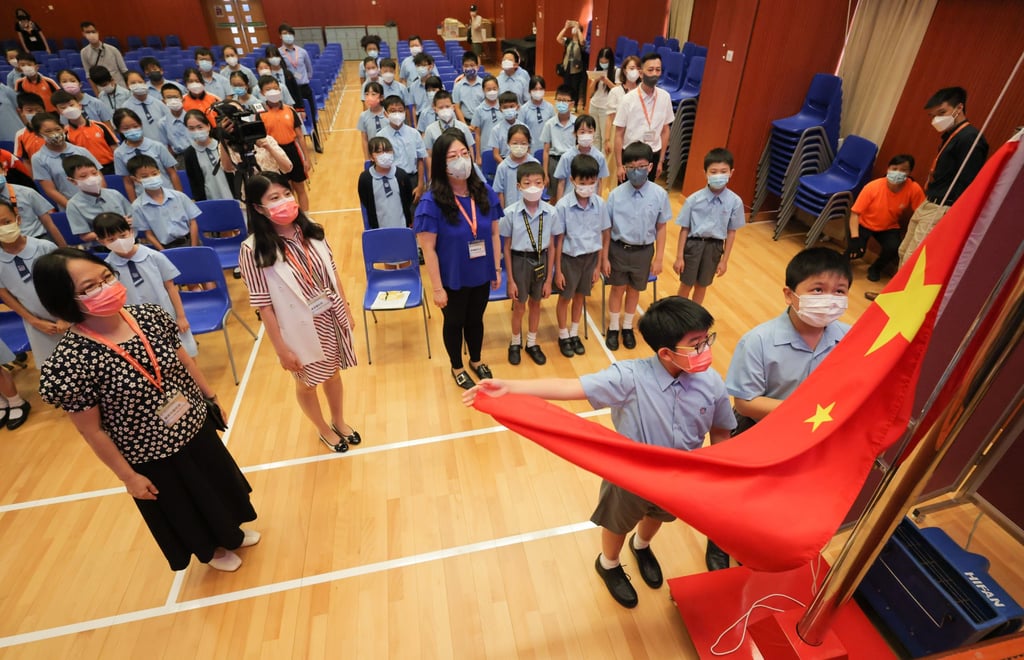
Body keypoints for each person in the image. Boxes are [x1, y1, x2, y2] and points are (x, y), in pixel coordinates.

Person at [464, 296, 736, 608]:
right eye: (696, 344)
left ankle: (642, 545)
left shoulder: (711, 382)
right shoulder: (629, 377)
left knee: (660, 515)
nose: (706, 350)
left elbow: (720, 430)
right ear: (665, 352)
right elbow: (570, 387)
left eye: (707, 340)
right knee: (617, 522)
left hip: (679, 476)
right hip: (629, 477)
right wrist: (511, 387)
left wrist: (719, 471)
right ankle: (608, 563)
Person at [36, 248, 258, 571]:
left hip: (192, 424)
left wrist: (210, 397)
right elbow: (90, 429)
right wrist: (128, 477)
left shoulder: (148, 315)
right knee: (189, 504)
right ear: (64, 299)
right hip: (151, 454)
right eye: (89, 288)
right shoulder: (70, 362)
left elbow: (183, 360)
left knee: (218, 483)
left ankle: (232, 533)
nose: (105, 288)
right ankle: (214, 551)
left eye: (106, 277)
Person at [722, 247, 851, 569]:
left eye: (840, 291)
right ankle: (722, 540)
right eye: (817, 290)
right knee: (741, 499)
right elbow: (746, 403)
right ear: (789, 294)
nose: (829, 299)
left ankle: (773, 540)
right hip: (760, 433)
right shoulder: (758, 341)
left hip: (812, 437)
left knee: (789, 495)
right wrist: (804, 410)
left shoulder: (850, 338)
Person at [238, 172, 359, 453]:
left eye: (287, 193)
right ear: (258, 208)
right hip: (297, 327)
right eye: (274, 198)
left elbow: (333, 272)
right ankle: (323, 428)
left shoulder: (313, 229)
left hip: (330, 316)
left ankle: (339, 420)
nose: (285, 201)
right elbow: (263, 305)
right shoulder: (252, 249)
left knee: (333, 374)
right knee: (308, 383)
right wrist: (281, 349)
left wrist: (347, 310)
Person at [866, 87, 989, 302]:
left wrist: (953, 214)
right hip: (930, 201)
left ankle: (900, 304)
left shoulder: (970, 138)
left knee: (915, 259)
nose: (936, 120)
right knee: (905, 251)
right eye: (932, 116)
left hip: (944, 206)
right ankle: (892, 297)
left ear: (959, 108)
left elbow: (969, 182)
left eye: (941, 113)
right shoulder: (951, 135)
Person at [414, 131, 502, 390]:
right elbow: (428, 250)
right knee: (454, 323)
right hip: (451, 277)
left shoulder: (484, 191)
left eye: (464, 154)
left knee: (476, 320)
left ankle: (475, 360)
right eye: (453, 156)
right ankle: (457, 366)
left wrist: (496, 268)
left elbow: (495, 233)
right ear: (442, 163)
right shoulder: (431, 202)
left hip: (481, 271)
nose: (461, 160)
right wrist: (437, 288)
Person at [93, 212, 197, 356]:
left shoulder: (154, 256)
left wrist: (181, 316)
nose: (119, 241)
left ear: (131, 232)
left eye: (122, 236)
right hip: (136, 323)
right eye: (111, 239)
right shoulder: (107, 268)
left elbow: (170, 287)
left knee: (185, 354)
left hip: (167, 316)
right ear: (101, 241)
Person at [603, 141, 671, 351]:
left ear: (650, 167)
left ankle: (627, 327)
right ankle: (613, 327)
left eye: (641, 166)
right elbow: (606, 229)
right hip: (618, 249)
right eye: (630, 167)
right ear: (624, 167)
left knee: (634, 291)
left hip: (643, 251)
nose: (636, 171)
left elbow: (661, 228)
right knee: (618, 289)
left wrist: (659, 257)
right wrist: (604, 257)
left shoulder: (660, 195)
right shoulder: (615, 195)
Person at [552, 154, 610, 357]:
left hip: (590, 259)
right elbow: (558, 241)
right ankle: (563, 335)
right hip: (569, 260)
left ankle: (574, 332)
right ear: (572, 180)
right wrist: (558, 270)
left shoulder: (600, 204)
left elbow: (603, 235)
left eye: (592, 182)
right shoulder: (562, 206)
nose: (588, 186)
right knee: (565, 298)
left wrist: (598, 266)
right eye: (583, 182)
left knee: (580, 297)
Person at [672, 148, 744, 304]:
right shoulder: (693, 200)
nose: (718, 175)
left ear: (731, 173)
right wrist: (679, 257)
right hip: (694, 245)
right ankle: (676, 316)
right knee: (686, 284)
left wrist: (724, 260)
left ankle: (694, 320)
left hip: (715, 248)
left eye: (723, 171)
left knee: (702, 285)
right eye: (713, 171)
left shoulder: (735, 202)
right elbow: (684, 229)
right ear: (705, 173)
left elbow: (731, 232)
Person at [501, 161, 555, 366]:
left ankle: (532, 342)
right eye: (527, 183)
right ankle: (515, 342)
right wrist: (510, 280)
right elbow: (505, 247)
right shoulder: (510, 213)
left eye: (538, 182)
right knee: (519, 305)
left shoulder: (551, 212)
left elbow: (553, 245)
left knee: (536, 303)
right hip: (519, 260)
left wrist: (549, 278)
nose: (533, 187)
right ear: (519, 186)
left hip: (541, 259)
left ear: (544, 184)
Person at [0, 197, 65, 364]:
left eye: (5, 222)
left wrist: (66, 315)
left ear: (18, 219)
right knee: (53, 369)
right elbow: (4, 294)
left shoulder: (45, 248)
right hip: (37, 324)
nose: (2, 228)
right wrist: (33, 320)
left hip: (68, 315)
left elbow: (66, 284)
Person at [845, 154, 925, 283]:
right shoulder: (873, 187)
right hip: (863, 223)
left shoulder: (914, 188)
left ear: (909, 172)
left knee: (894, 248)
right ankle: (843, 263)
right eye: (894, 168)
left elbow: (921, 213)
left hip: (888, 227)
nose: (898, 173)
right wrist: (855, 238)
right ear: (888, 169)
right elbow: (855, 213)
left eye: (903, 170)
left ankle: (875, 268)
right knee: (856, 250)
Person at [613, 53, 671, 183]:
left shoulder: (665, 97)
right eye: (650, 70)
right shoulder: (628, 99)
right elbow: (619, 133)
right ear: (640, 73)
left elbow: (665, 130)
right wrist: (619, 165)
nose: (654, 74)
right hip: (631, 156)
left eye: (658, 70)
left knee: (647, 197)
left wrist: (661, 161)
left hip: (653, 155)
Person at [258, 76, 310, 211]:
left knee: (300, 187)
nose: (273, 91)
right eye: (268, 89)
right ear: (262, 93)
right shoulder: (260, 113)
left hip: (292, 150)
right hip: (274, 154)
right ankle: (290, 215)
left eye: (275, 88)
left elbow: (300, 136)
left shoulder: (289, 110)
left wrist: (306, 159)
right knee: (284, 189)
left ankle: (306, 217)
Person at [128, 154, 200, 250]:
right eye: (144, 176)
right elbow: (148, 234)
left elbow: (193, 222)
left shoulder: (179, 196)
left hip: (190, 241)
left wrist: (194, 247)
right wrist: (164, 252)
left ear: (159, 172)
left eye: (154, 174)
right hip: (166, 247)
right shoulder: (137, 206)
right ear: (135, 179)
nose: (151, 178)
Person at [31, 112, 101, 209]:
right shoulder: (38, 159)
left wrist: (101, 198)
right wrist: (73, 208)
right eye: (48, 131)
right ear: (38, 135)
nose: (55, 134)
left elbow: (99, 176)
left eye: (57, 129)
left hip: (97, 201)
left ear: (63, 128)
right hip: (70, 206)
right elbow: (50, 190)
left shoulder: (81, 151)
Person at [112, 107, 182, 202]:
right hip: (143, 198)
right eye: (126, 128)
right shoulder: (119, 153)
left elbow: (172, 173)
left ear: (141, 124)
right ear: (119, 130)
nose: (132, 130)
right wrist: (134, 203)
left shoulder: (157, 146)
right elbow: (128, 182)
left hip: (168, 193)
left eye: (135, 126)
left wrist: (180, 196)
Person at [63, 154, 133, 242]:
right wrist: (112, 231)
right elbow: (85, 236)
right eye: (84, 176)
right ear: (72, 181)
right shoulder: (73, 205)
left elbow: (133, 217)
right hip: (103, 245)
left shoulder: (114, 194)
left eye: (94, 173)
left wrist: (130, 222)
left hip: (128, 239)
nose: (91, 178)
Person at [50, 90, 118, 175]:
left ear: (79, 105)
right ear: (58, 112)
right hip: (88, 172)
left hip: (111, 167)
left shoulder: (100, 126)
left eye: (71, 105)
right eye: (63, 108)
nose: (69, 109)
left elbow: (114, 147)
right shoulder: (66, 135)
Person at [278, 23, 321, 153]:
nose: (287, 36)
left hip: (304, 87)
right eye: (284, 34)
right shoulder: (279, 53)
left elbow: (309, 69)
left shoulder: (302, 52)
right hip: (289, 90)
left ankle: (316, 142)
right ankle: (298, 146)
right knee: (292, 119)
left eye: (289, 34)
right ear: (280, 36)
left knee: (311, 115)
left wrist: (303, 79)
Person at [376, 95, 427, 201]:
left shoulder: (414, 133)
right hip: (391, 179)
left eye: (400, 110)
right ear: (386, 114)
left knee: (414, 213)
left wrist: (420, 185)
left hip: (412, 179)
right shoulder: (380, 137)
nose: (397, 114)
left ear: (405, 112)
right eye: (393, 111)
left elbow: (420, 160)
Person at [358, 136, 413, 229]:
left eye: (387, 151)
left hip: (403, 227)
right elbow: (365, 200)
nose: (385, 155)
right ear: (371, 157)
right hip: (379, 229)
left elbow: (408, 198)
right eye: (379, 152)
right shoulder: (365, 178)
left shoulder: (401, 175)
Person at [0, 162, 63, 244]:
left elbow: (49, 225)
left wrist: (64, 249)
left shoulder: (27, 193)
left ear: (4, 171)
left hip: (37, 239)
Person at [181, 110, 234, 202]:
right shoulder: (189, 153)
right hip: (211, 198)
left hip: (234, 194)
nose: (196, 131)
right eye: (191, 128)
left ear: (208, 126)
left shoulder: (222, 143)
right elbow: (194, 182)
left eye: (200, 127)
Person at [553, 114, 609, 200]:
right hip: (570, 200)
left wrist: (598, 202)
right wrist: (559, 204)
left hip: (590, 200)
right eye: (582, 132)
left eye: (590, 132)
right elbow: (561, 182)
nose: (586, 135)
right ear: (575, 133)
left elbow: (599, 182)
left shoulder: (599, 157)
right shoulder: (566, 157)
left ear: (594, 132)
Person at [541, 86, 577, 200]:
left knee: (571, 196)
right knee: (555, 198)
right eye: (559, 100)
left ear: (572, 103)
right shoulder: (549, 124)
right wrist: (545, 174)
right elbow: (546, 151)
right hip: (554, 162)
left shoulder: (577, 122)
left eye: (565, 100)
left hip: (572, 162)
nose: (561, 103)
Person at [121, 70, 173, 144]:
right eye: (133, 83)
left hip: (164, 146)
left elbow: (170, 125)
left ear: (144, 83)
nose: (137, 85)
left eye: (140, 82)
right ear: (127, 86)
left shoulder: (158, 103)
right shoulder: (126, 108)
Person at [493, 125, 539, 208]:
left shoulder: (535, 164)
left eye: (523, 143)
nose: (519, 147)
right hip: (510, 212)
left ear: (529, 144)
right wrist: (503, 216)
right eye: (515, 143)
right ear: (508, 143)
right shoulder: (503, 167)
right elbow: (499, 193)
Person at [422, 90, 475, 157]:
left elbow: (470, 149)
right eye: (441, 108)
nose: (444, 110)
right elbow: (429, 154)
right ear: (435, 109)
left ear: (453, 107)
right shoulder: (430, 130)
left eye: (447, 107)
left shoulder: (463, 127)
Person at [80, 22, 128, 91]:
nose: (91, 34)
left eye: (93, 31)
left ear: (97, 32)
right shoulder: (84, 52)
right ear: (83, 34)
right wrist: (97, 93)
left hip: (120, 87)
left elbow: (124, 70)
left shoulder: (113, 49)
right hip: (102, 89)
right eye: (87, 32)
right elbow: (89, 75)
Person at [587, 47, 616, 151]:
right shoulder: (596, 70)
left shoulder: (616, 72)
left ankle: (603, 162)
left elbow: (618, 91)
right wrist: (595, 80)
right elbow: (590, 93)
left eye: (606, 61)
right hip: (594, 105)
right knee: (595, 136)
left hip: (606, 108)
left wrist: (606, 80)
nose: (603, 63)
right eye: (601, 61)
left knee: (605, 137)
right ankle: (595, 159)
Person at [556, 19, 587, 112]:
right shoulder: (568, 41)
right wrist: (566, 27)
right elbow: (558, 38)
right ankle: (566, 104)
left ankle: (574, 105)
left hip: (576, 69)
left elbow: (582, 41)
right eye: (573, 28)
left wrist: (578, 29)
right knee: (567, 86)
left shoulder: (580, 42)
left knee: (575, 88)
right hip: (567, 67)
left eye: (575, 28)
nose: (573, 30)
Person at [518, 76, 554, 154]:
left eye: (541, 89)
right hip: (530, 150)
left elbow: (553, 129)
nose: (538, 91)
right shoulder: (523, 109)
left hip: (547, 149)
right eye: (535, 89)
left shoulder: (550, 107)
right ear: (529, 91)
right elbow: (521, 131)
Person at [160, 84, 191, 167]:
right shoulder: (162, 123)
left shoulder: (192, 117)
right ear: (164, 101)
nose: (173, 100)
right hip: (180, 158)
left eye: (176, 97)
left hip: (198, 152)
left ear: (182, 99)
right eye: (169, 98)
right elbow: (167, 146)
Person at [471, 76, 502, 153]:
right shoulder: (479, 110)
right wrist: (478, 155)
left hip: (503, 149)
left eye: (494, 89)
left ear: (498, 88)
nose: (492, 91)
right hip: (486, 149)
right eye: (488, 89)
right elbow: (477, 135)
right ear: (483, 90)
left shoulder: (504, 107)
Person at [489, 91, 523, 162]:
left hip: (521, 162)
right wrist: (506, 166)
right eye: (505, 107)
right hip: (503, 162)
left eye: (511, 106)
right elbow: (496, 155)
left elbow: (528, 150)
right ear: (500, 109)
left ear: (517, 107)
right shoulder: (496, 130)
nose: (509, 109)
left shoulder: (524, 127)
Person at [13, 91, 46, 164]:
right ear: (20, 112)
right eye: (29, 111)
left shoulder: (55, 129)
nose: (34, 114)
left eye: (39, 111)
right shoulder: (20, 135)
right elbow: (24, 160)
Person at [357, 81, 387, 160]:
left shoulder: (387, 114)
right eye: (367, 94)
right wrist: (367, 159)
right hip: (374, 155)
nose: (369, 97)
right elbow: (364, 139)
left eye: (373, 94)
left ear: (381, 97)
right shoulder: (363, 116)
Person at [453, 51, 484, 124]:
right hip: (464, 121)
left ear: (477, 67)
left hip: (481, 122)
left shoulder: (484, 84)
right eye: (466, 66)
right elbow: (457, 107)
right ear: (463, 67)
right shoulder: (458, 86)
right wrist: (464, 125)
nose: (469, 68)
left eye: (472, 65)